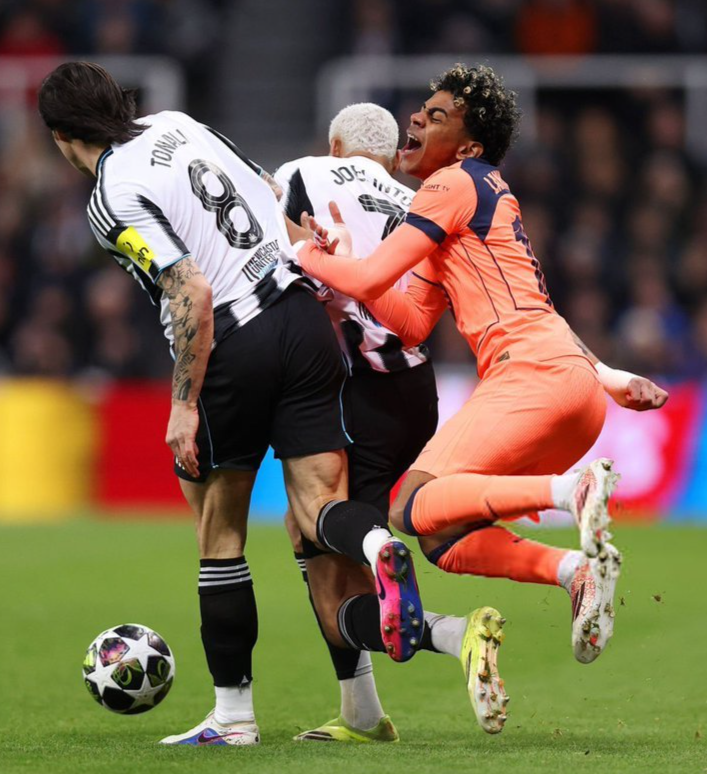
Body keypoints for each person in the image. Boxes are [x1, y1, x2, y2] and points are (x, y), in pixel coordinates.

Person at [37, 62, 456, 748]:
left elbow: (190, 290)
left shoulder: (110, 195)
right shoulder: (178, 124)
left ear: (60, 135)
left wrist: (184, 403)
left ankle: (233, 717)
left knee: (219, 532)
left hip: (235, 341)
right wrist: (304, 240)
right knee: (317, 510)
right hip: (303, 319)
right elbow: (267, 189)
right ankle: (376, 559)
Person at [295, 63, 669, 668]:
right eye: (423, 109)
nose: (416, 118)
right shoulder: (469, 199)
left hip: (531, 378)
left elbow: (366, 278)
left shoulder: (452, 184)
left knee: (408, 505)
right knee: (442, 535)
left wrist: (305, 252)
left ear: (468, 147)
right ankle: (573, 571)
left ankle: (570, 490)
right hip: (569, 387)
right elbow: (411, 322)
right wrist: (343, 265)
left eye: (436, 115)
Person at [275, 103, 506, 741]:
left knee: (320, 537)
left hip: (352, 386)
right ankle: (364, 712)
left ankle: (444, 637)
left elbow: (273, 255)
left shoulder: (302, 174)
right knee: (321, 537)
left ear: (335, 144)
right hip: (416, 389)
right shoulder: (414, 200)